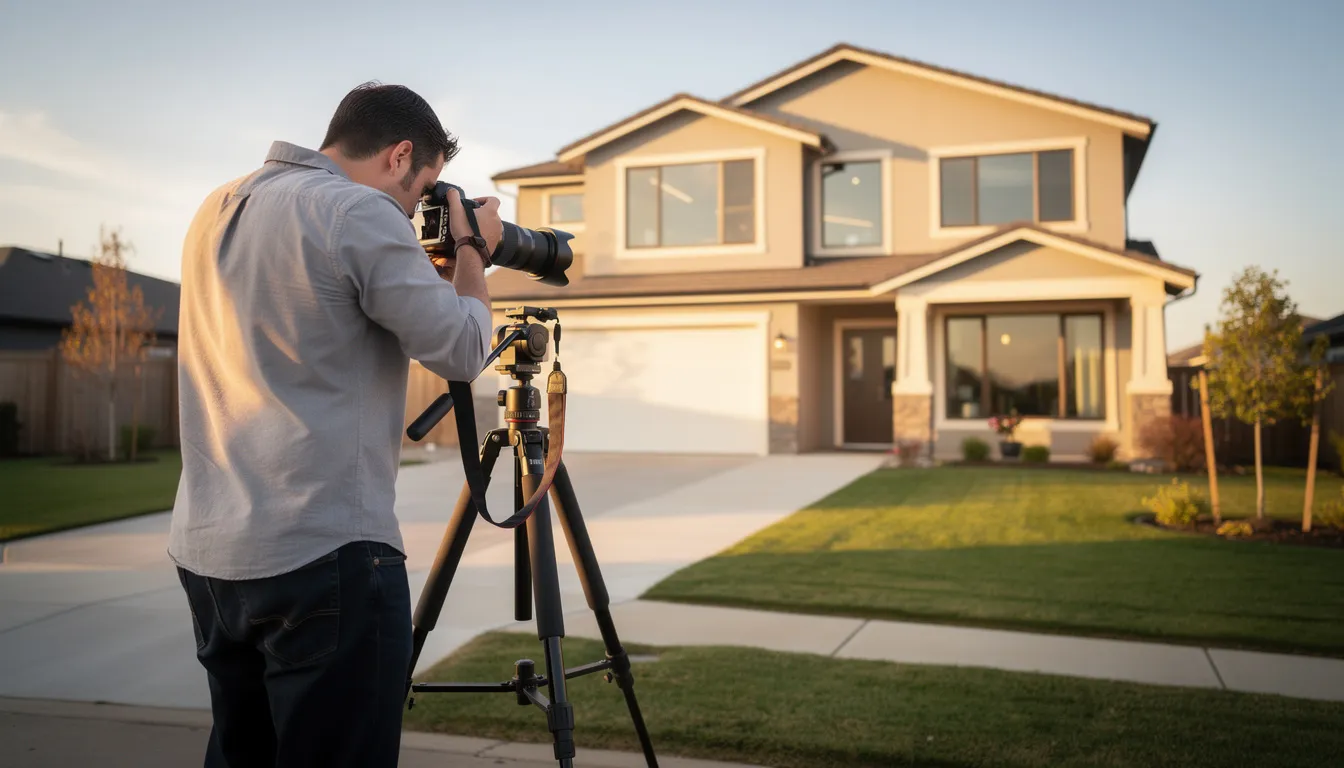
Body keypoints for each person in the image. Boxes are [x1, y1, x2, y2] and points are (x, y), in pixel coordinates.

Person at [168, 82, 501, 767]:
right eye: (424, 190)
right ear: (401, 155)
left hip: (211, 556)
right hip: (325, 559)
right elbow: (465, 350)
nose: (414, 211)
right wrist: (471, 247)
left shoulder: (219, 204)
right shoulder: (357, 211)